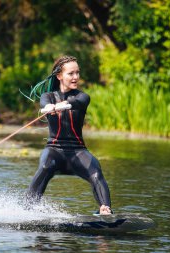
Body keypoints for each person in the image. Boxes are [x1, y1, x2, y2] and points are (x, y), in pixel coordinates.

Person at [25, 55, 112, 215]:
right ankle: (28, 209)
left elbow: (77, 103)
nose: (76, 77)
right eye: (71, 73)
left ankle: (105, 209)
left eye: (77, 73)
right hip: (54, 150)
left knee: (96, 171)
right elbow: (44, 104)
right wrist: (50, 107)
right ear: (59, 76)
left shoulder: (82, 97)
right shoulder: (48, 97)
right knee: (45, 166)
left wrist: (63, 105)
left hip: (78, 151)